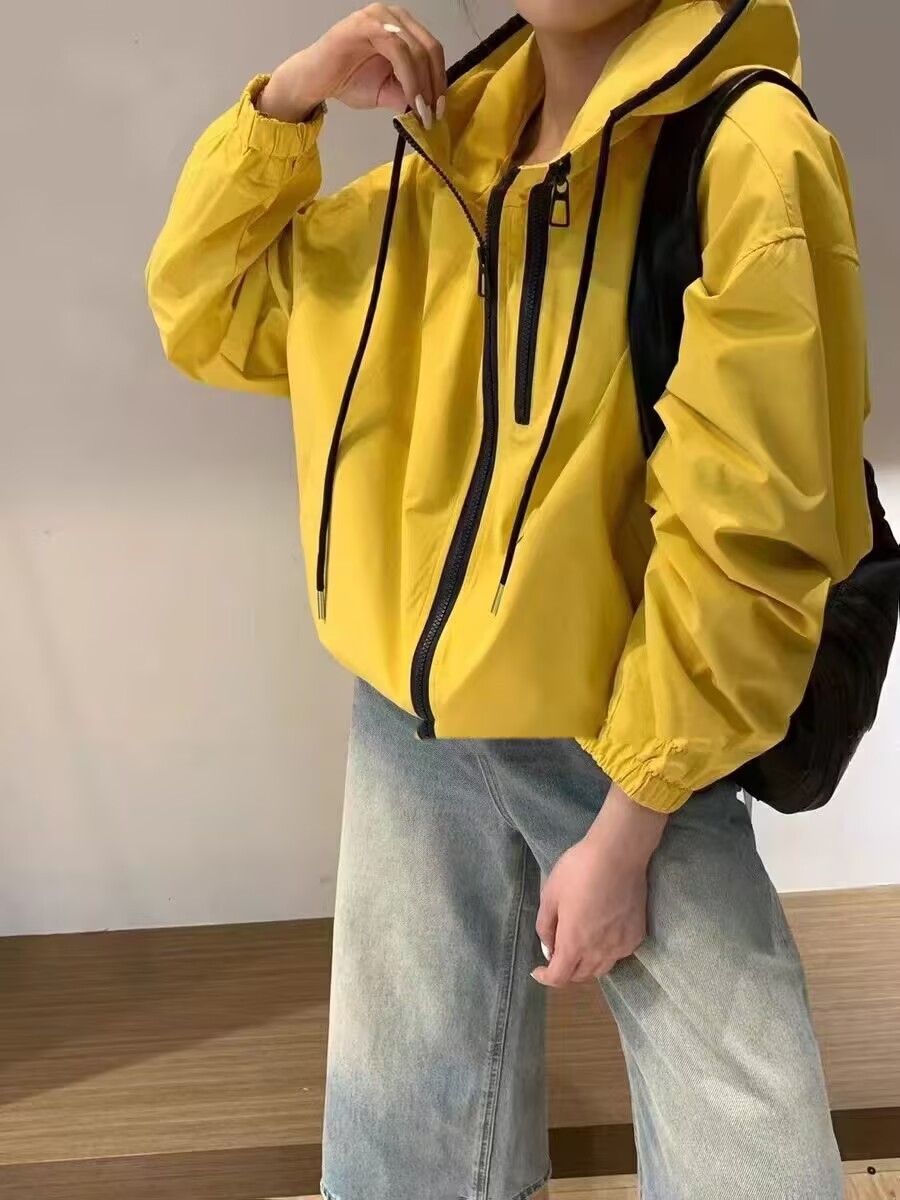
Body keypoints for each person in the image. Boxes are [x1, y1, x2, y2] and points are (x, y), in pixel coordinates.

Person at [147, 1, 872, 1196]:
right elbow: (212, 314)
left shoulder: (745, 147)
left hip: (624, 730)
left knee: (746, 1152)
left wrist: (631, 822)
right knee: (404, 1155)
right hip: (412, 722)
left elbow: (754, 529)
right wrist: (290, 100)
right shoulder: (452, 153)